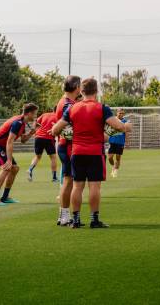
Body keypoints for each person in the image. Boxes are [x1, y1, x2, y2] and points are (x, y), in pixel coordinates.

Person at [52, 78, 129, 229]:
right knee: (94, 186)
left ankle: (76, 220)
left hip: (77, 152)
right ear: (96, 91)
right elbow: (119, 127)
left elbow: (55, 130)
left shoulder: (72, 108)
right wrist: (127, 126)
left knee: (77, 186)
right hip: (95, 152)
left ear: (81, 91)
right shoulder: (102, 108)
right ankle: (94, 220)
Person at [0, 103, 37, 206]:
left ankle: (4, 197)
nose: (36, 116)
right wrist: (9, 160)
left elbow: (23, 140)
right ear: (29, 113)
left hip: (2, 147)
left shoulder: (23, 123)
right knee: (7, 168)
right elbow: (10, 141)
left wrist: (32, 132)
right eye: (35, 114)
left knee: (15, 168)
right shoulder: (17, 122)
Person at [55, 75, 81, 226]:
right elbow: (69, 127)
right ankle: (64, 215)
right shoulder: (67, 104)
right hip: (68, 145)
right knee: (68, 180)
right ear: (77, 87)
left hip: (66, 145)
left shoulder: (66, 101)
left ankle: (63, 215)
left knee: (68, 180)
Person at [27, 110, 58, 183]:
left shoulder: (45, 115)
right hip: (48, 138)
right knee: (53, 157)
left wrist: (34, 128)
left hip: (38, 137)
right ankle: (54, 178)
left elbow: (36, 121)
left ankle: (30, 169)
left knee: (37, 156)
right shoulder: (58, 117)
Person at [107, 108, 128, 178]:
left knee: (118, 158)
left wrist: (126, 142)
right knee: (110, 157)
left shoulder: (125, 121)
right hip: (112, 141)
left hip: (120, 142)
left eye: (122, 113)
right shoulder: (113, 121)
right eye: (120, 113)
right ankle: (113, 167)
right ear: (117, 113)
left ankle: (115, 170)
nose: (121, 114)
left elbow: (126, 133)